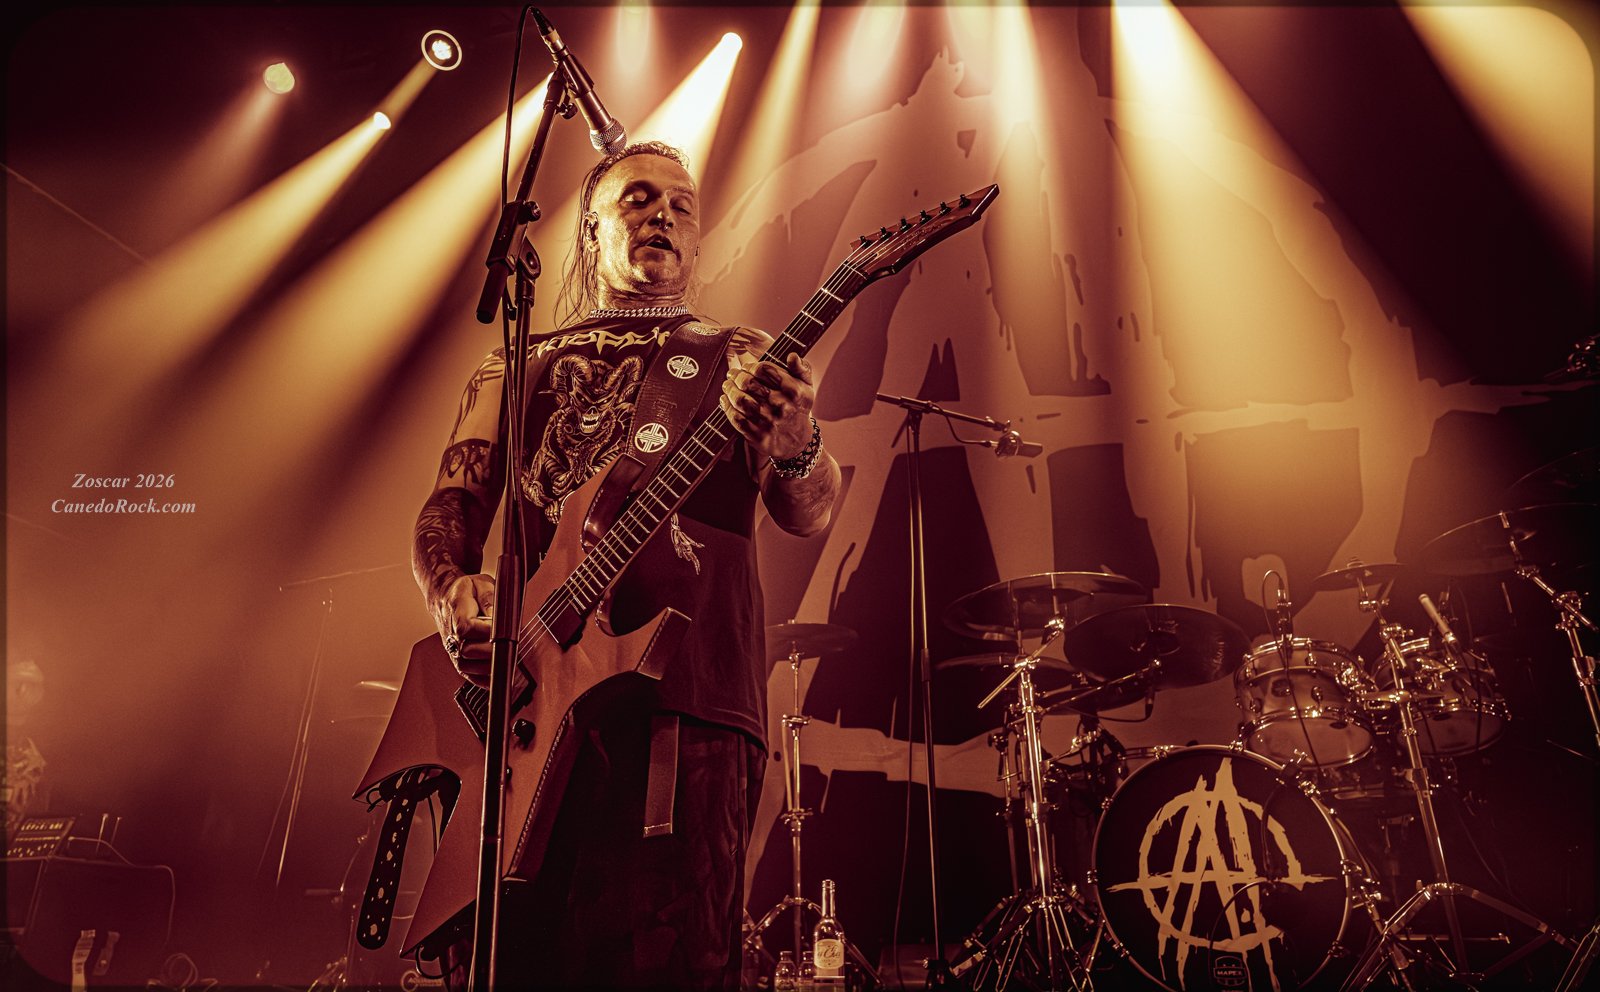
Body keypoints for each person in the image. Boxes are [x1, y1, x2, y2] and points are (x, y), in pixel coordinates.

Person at [410, 140, 841, 990]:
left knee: (673, 962)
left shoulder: (739, 354)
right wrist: (449, 589)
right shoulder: (513, 363)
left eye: (681, 206)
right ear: (591, 229)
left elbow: (809, 510)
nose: (662, 216)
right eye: (639, 199)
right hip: (529, 715)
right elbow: (452, 500)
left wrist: (800, 444)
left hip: (687, 701)